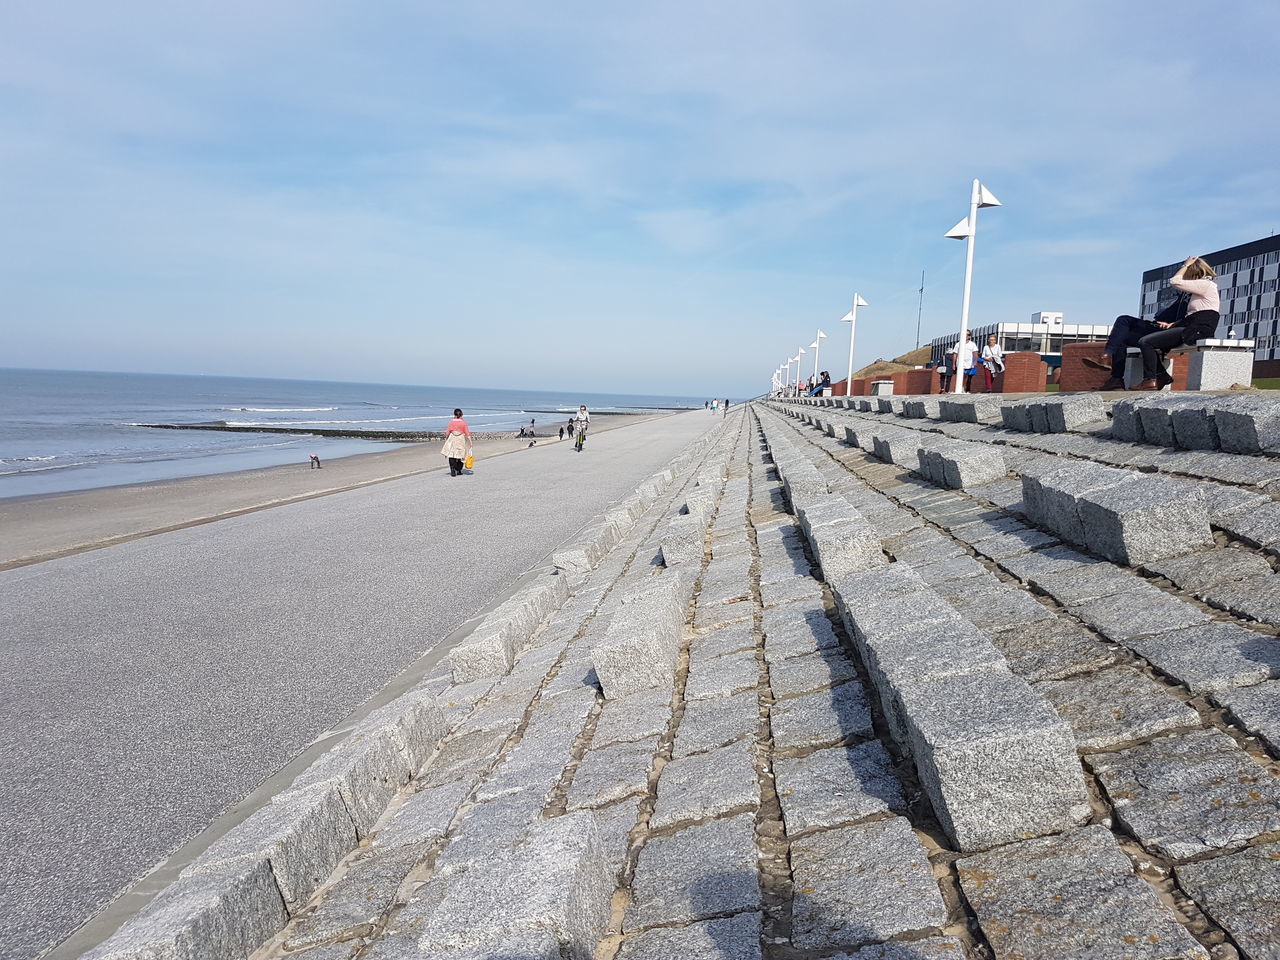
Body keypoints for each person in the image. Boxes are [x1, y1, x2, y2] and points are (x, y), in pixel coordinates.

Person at [1084, 256, 1220, 390]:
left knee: (1145, 341)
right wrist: (1171, 324)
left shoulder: (1206, 284)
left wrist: (1185, 266)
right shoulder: (1195, 294)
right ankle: (1115, 377)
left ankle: (1150, 379)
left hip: (1192, 332)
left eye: (1188, 276)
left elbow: (1175, 281)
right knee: (1123, 332)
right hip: (1180, 327)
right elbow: (1192, 316)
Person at [442, 408, 473, 477]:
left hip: (452, 438)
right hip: (460, 438)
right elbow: (467, 433)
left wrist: (446, 439)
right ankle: (458, 469)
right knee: (461, 454)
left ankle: (453, 469)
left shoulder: (451, 422)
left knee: (451, 454)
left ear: (454, 414)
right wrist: (470, 442)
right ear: (461, 414)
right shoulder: (464, 423)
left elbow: (447, 432)